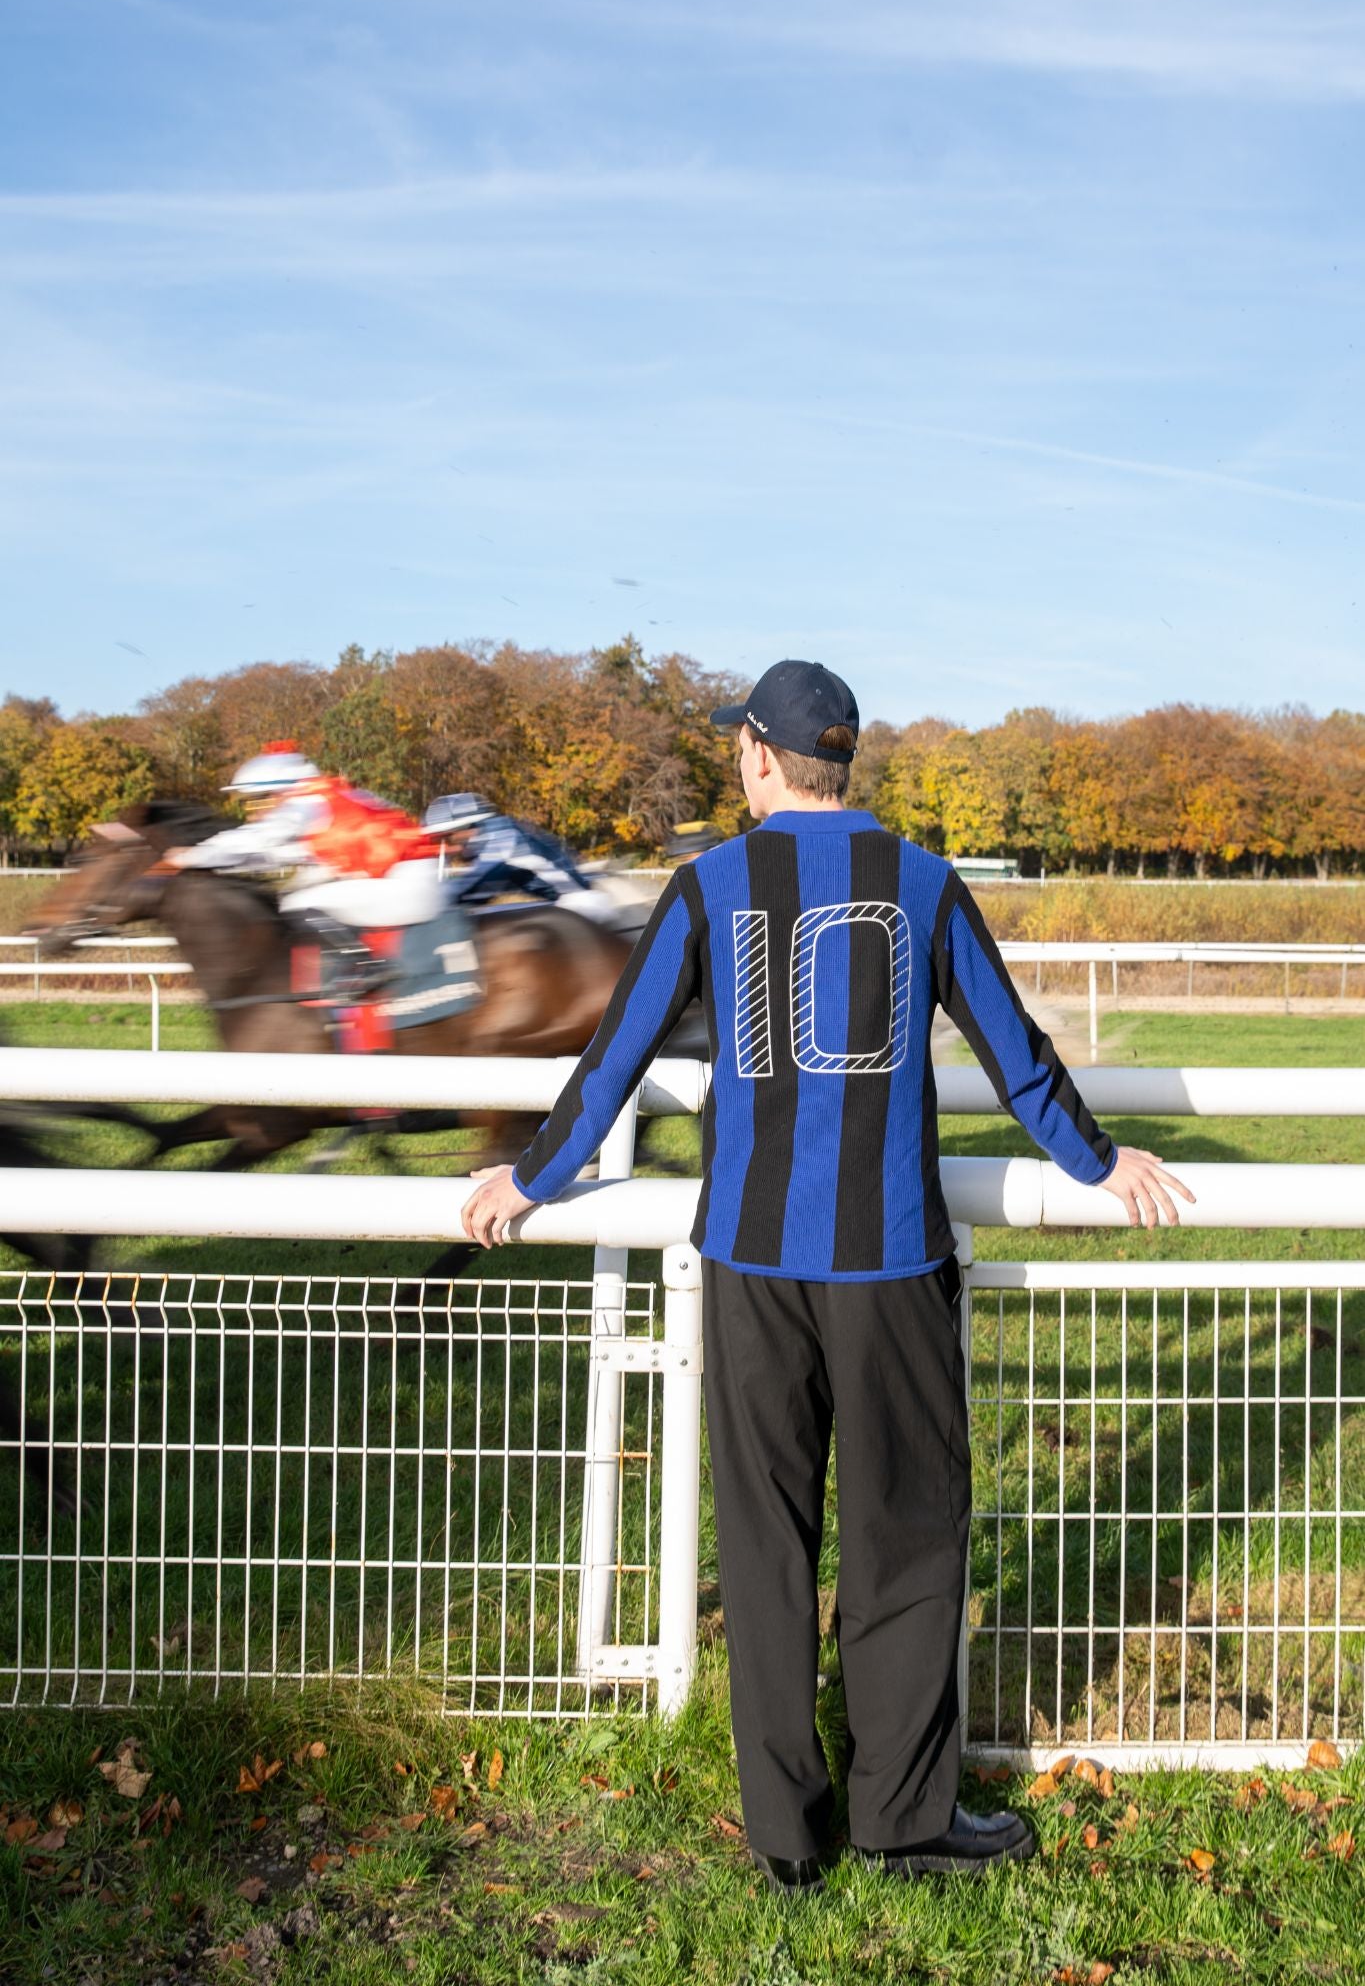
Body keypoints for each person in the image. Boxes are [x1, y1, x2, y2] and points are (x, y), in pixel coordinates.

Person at [461, 659, 1193, 1896]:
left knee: (765, 1540)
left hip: (750, 1265)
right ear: (840, 760)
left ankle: (789, 1837)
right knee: (906, 1532)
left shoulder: (708, 885)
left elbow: (617, 1054)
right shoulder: (921, 879)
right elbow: (1016, 1055)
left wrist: (531, 1178)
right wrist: (1098, 1156)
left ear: (758, 754)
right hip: (890, 1262)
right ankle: (904, 1817)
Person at [170, 745, 444, 995]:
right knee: (298, 894)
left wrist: (192, 856)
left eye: (256, 801)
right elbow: (273, 855)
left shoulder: (306, 804)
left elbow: (257, 840)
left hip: (409, 883)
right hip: (409, 876)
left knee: (297, 903)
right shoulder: (325, 798)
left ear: (280, 792)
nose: (252, 813)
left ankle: (368, 965)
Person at [423, 793, 618, 923]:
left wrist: (427, 901)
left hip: (581, 905)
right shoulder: (498, 830)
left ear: (466, 828)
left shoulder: (500, 838)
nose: (450, 845)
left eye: (449, 836)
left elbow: (474, 886)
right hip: (566, 902)